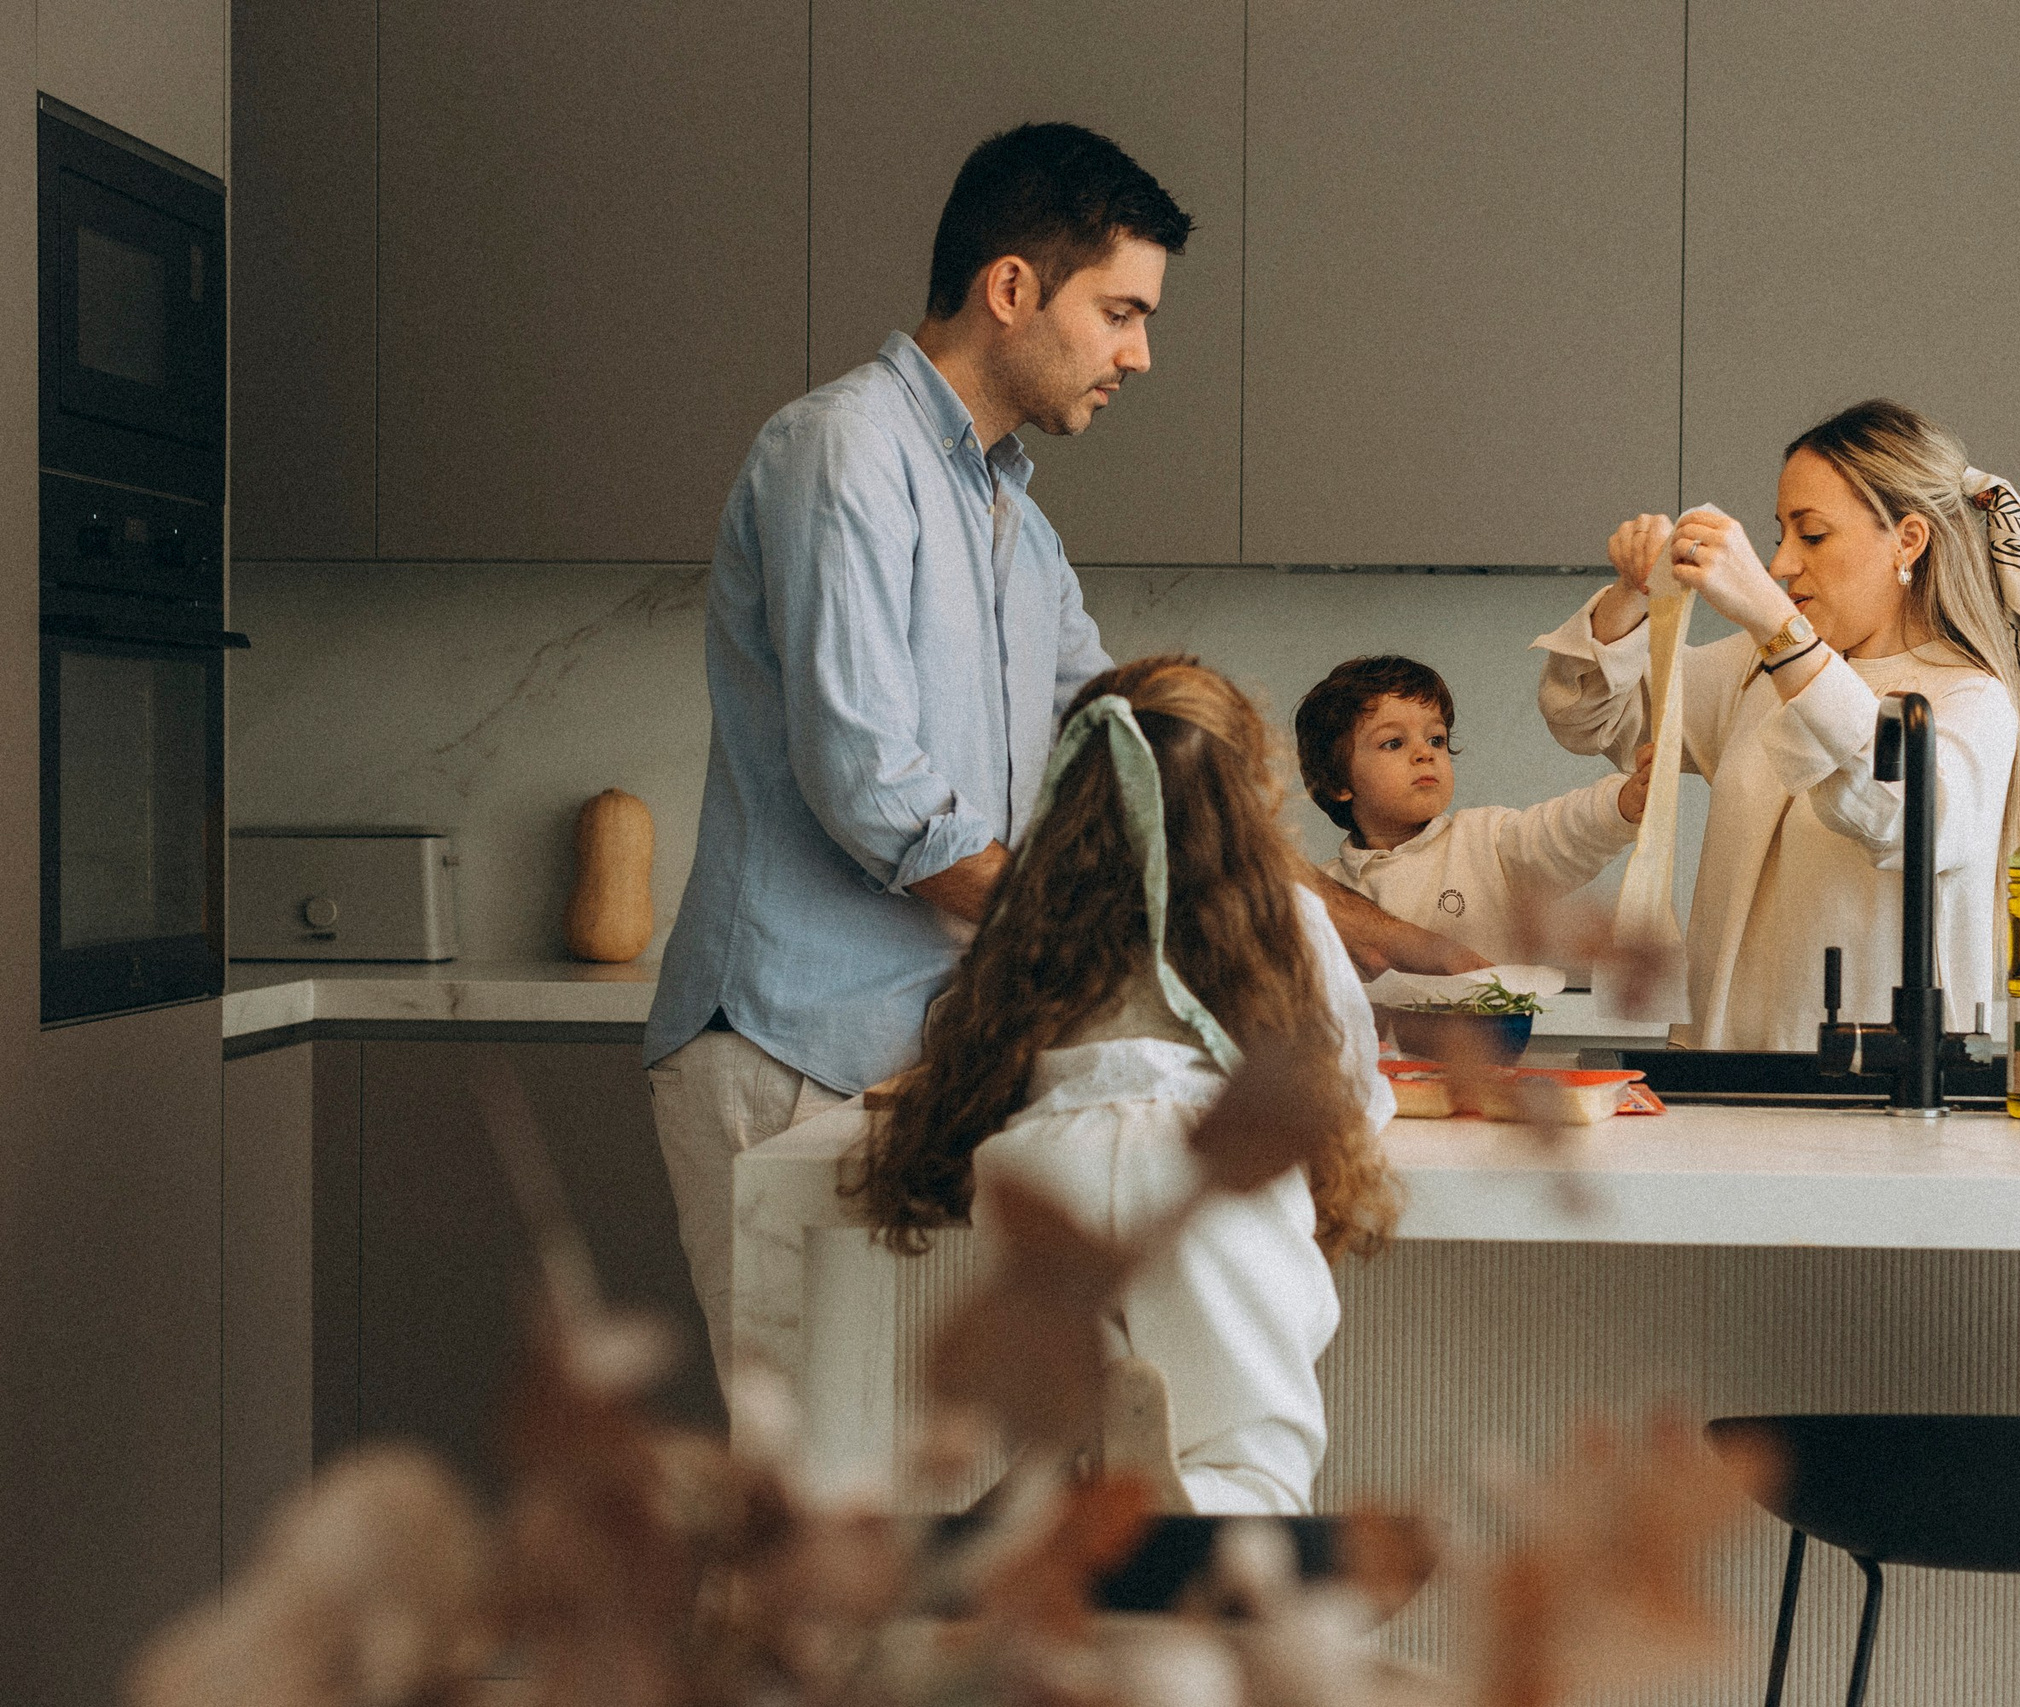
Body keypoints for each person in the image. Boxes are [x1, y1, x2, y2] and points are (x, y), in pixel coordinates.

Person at [644, 123, 1472, 1386]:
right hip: (792, 1049)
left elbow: (1151, 773)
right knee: (813, 1470)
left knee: (934, 1464)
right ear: (1011, 287)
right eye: (1120, 312)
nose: (1140, 354)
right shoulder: (840, 451)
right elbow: (872, 787)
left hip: (924, 1064)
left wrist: (1392, 941)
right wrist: (1136, 931)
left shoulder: (1013, 525)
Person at [850, 657, 1398, 1515]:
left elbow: (975, 1055)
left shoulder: (1037, 911)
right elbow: (1345, 1089)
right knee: (1250, 1461)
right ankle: (1193, 1524)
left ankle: (1062, 1503)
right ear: (1247, 789)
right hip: (1203, 1183)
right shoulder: (1282, 915)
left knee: (1084, 1436)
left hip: (1044, 1171)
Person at [1536, 398, 2020, 1052]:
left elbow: (1896, 810)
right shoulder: (1754, 670)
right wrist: (1632, 592)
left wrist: (1774, 622)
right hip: (1719, 1074)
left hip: (1872, 1088)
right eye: (1780, 534)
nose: (1782, 564)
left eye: (1811, 535)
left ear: (1908, 540)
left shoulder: (1970, 699)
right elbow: (1593, 716)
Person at [1295, 655, 1655, 966]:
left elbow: (1559, 832)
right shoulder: (1323, 891)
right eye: (1393, 743)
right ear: (1337, 782)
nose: (1425, 753)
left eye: (1436, 739)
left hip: (1490, 1028)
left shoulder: (1485, 841)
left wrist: (1619, 804)